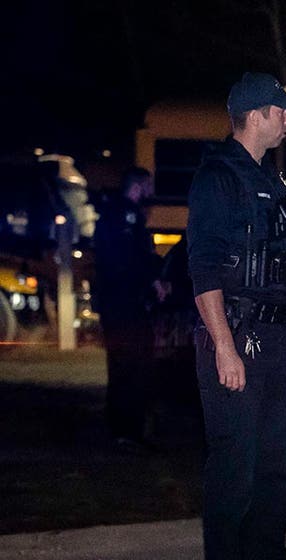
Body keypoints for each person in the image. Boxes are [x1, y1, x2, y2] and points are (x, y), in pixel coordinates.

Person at [187, 72, 286, 560]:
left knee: (273, 468)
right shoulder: (218, 179)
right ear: (255, 114)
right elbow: (203, 271)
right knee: (235, 467)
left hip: (271, 338)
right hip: (235, 336)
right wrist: (224, 347)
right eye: (281, 110)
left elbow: (285, 277)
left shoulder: (276, 183)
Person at [93, 167, 163, 455]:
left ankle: (121, 429)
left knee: (123, 366)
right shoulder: (127, 217)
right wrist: (152, 281)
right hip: (125, 305)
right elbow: (131, 260)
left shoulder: (114, 215)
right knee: (131, 367)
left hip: (118, 304)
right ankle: (127, 432)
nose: (151, 190)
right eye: (148, 185)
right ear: (138, 186)